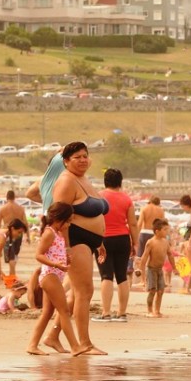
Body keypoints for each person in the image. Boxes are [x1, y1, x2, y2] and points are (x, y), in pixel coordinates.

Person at [50, 142, 109, 355]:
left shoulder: (83, 179)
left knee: (76, 294)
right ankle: (84, 344)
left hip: (90, 241)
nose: (83, 159)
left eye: (85, 155)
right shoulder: (66, 181)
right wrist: (65, 247)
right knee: (85, 292)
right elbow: (58, 215)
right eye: (77, 157)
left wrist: (99, 241)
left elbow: (93, 214)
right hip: (75, 240)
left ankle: (52, 336)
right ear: (66, 161)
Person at [25, 202, 80, 355]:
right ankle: (75, 346)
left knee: (48, 313)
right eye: (68, 221)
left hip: (55, 274)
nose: (69, 225)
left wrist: (65, 259)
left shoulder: (59, 233)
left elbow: (54, 253)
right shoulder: (49, 232)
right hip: (50, 275)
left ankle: (33, 345)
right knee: (64, 311)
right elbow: (39, 254)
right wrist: (56, 263)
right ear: (59, 219)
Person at [97, 168, 136, 321]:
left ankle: (106, 313)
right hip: (123, 239)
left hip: (104, 239)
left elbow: (95, 220)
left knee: (106, 275)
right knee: (122, 276)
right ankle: (122, 313)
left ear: (105, 181)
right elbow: (132, 223)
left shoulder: (98, 197)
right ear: (120, 181)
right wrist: (135, 243)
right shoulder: (127, 199)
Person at [0, 188, 27, 278]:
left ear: (6, 197)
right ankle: (12, 275)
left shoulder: (2, 208)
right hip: (19, 234)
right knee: (14, 255)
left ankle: (12, 276)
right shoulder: (20, 208)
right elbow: (25, 222)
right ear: (14, 197)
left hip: (8, 233)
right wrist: (27, 236)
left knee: (11, 257)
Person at [142, 218, 172, 318]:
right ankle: (149, 311)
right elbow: (144, 258)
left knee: (161, 291)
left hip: (160, 270)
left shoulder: (165, 242)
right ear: (157, 231)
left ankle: (157, 310)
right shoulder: (151, 242)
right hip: (151, 269)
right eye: (165, 230)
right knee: (152, 290)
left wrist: (175, 268)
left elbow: (170, 255)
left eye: (167, 229)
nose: (167, 232)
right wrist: (142, 275)